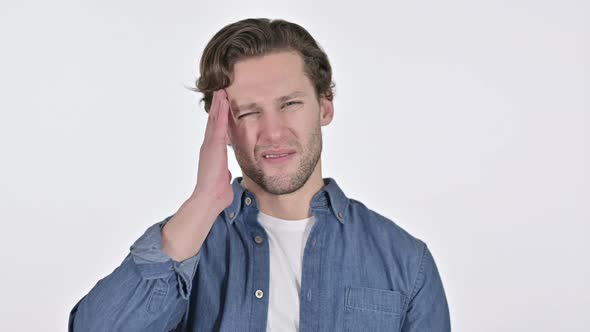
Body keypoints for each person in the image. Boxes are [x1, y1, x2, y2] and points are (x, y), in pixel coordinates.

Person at [69, 18, 450, 332]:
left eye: (290, 104)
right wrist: (203, 203)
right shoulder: (188, 244)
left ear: (325, 107)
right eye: (248, 112)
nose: (273, 132)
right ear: (224, 126)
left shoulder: (405, 262)